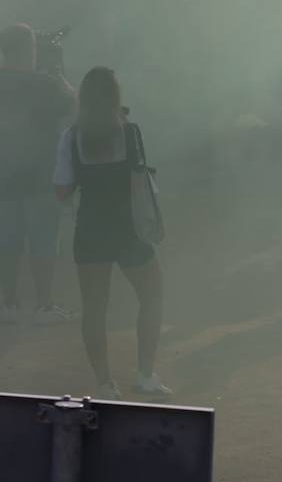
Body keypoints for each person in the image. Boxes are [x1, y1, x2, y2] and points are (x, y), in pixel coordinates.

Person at [53, 67, 169, 398]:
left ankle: (105, 383)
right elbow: (141, 183)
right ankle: (145, 374)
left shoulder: (71, 136)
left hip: (90, 228)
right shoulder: (130, 132)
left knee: (94, 308)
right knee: (151, 296)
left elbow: (61, 190)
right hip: (129, 228)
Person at [0, 22, 73, 323]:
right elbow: (73, 105)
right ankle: (43, 305)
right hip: (40, 179)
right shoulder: (44, 84)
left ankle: (8, 305)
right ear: (28, 49)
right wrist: (57, 71)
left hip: (3, 180)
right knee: (42, 244)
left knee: (8, 245)